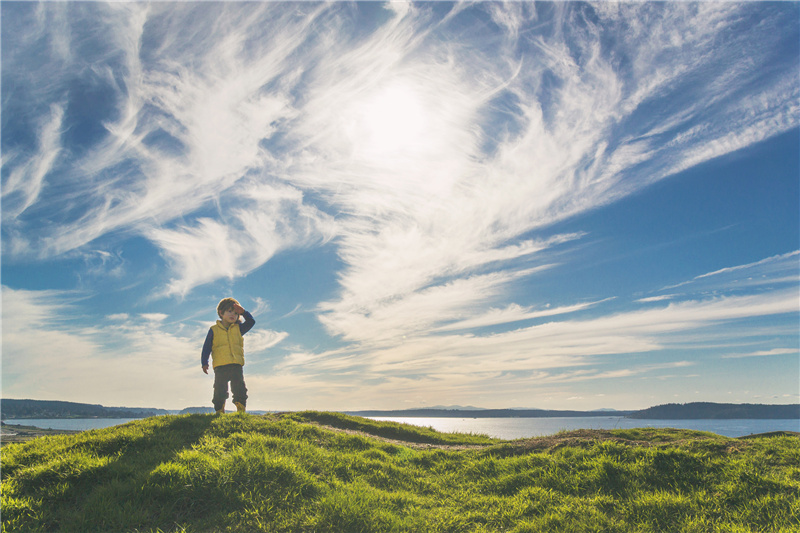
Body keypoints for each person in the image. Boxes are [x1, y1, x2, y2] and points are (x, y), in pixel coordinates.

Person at [201, 297, 255, 414]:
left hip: (236, 365)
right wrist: (204, 362)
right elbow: (206, 347)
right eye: (229, 311)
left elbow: (251, 322)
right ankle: (219, 410)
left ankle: (241, 409)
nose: (233, 315)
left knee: (239, 389)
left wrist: (244, 312)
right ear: (221, 313)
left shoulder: (239, 328)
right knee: (220, 390)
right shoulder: (214, 330)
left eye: (236, 313)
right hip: (220, 366)